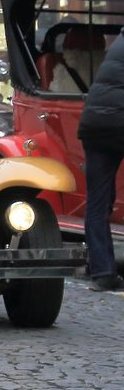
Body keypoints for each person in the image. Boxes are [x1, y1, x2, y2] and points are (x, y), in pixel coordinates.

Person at [77, 30, 124, 291]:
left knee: (97, 201)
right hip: (118, 120)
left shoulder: (118, 44)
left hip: (94, 124)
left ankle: (103, 272)